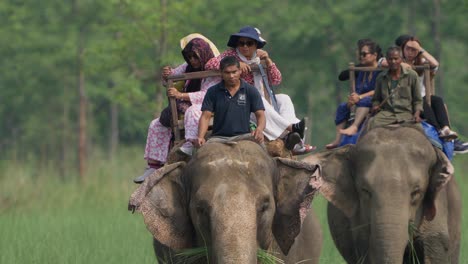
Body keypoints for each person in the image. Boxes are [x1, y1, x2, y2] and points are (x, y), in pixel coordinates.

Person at [204, 26, 314, 154]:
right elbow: (210, 64)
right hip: (243, 101)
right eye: (241, 43)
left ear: (256, 45)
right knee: (260, 100)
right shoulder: (231, 55)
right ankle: (290, 130)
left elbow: (276, 80)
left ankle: (294, 134)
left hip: (263, 97)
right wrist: (237, 65)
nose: (245, 47)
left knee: (284, 98)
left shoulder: (260, 57)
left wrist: (268, 61)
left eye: (249, 43)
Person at [134, 34, 219, 184]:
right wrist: (167, 74)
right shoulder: (188, 67)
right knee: (156, 124)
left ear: (203, 54)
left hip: (207, 106)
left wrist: (181, 95)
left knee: (191, 112)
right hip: (186, 105)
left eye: (196, 57)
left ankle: (190, 145)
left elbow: (208, 95)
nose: (193, 60)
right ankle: (153, 165)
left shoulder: (213, 70)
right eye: (189, 57)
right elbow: (173, 75)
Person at [326, 39, 382, 149]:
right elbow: (357, 88)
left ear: (374, 55)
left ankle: (355, 126)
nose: (361, 57)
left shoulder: (381, 70)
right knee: (343, 106)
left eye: (364, 54)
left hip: (374, 99)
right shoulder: (361, 70)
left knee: (364, 101)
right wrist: (353, 97)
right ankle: (338, 139)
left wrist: (359, 97)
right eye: (360, 54)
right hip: (359, 99)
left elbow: (378, 90)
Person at [197, 56, 266, 146]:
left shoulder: (250, 90)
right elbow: (205, 117)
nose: (231, 76)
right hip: (218, 138)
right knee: (199, 155)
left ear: (240, 71)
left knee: (263, 154)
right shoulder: (212, 91)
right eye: (227, 73)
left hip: (245, 136)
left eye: (234, 72)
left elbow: (261, 115)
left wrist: (259, 130)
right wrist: (201, 137)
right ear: (221, 73)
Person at [368, 46, 423, 130]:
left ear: (401, 59)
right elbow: (376, 99)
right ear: (387, 59)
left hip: (406, 114)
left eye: (396, 59)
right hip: (386, 114)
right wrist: (375, 105)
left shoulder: (412, 75)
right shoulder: (381, 77)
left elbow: (418, 100)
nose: (393, 61)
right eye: (390, 59)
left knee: (420, 130)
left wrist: (417, 113)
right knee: (371, 124)